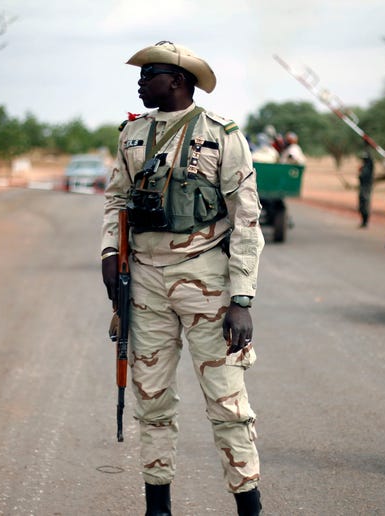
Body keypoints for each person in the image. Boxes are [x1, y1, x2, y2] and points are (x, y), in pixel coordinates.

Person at [100, 41, 265, 515]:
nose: (139, 81)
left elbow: (246, 218)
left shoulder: (222, 134)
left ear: (177, 80)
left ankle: (248, 505)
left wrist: (242, 298)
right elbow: (115, 199)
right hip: (145, 281)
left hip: (206, 278)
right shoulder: (131, 134)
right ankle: (158, 507)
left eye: (148, 73)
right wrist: (110, 251)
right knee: (151, 401)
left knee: (227, 403)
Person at [357, 151, 374, 228]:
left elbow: (371, 160)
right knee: (361, 204)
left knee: (366, 204)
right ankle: (363, 221)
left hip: (367, 188)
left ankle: (366, 221)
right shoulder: (363, 167)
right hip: (362, 187)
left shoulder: (369, 166)